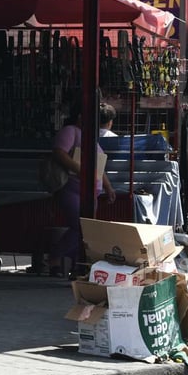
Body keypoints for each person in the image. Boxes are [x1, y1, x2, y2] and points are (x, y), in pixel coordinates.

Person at [48, 102, 116, 277]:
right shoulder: (70, 131)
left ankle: (71, 265)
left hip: (91, 192)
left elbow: (98, 166)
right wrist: (81, 170)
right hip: (72, 187)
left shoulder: (89, 137)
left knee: (85, 229)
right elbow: (59, 152)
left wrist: (108, 186)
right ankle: (55, 258)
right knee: (80, 227)